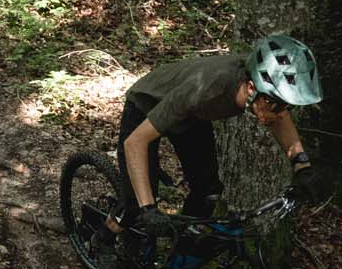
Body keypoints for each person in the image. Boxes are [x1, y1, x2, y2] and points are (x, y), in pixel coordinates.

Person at [111, 33, 325, 236]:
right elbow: (135, 143)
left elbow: (280, 117)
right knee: (135, 206)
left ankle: (181, 246)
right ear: (252, 89)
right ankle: (103, 239)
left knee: (208, 193)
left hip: (192, 116)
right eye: (276, 106)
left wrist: (301, 165)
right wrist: (148, 208)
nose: (281, 114)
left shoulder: (260, 87)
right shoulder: (207, 89)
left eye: (285, 107)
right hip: (147, 105)